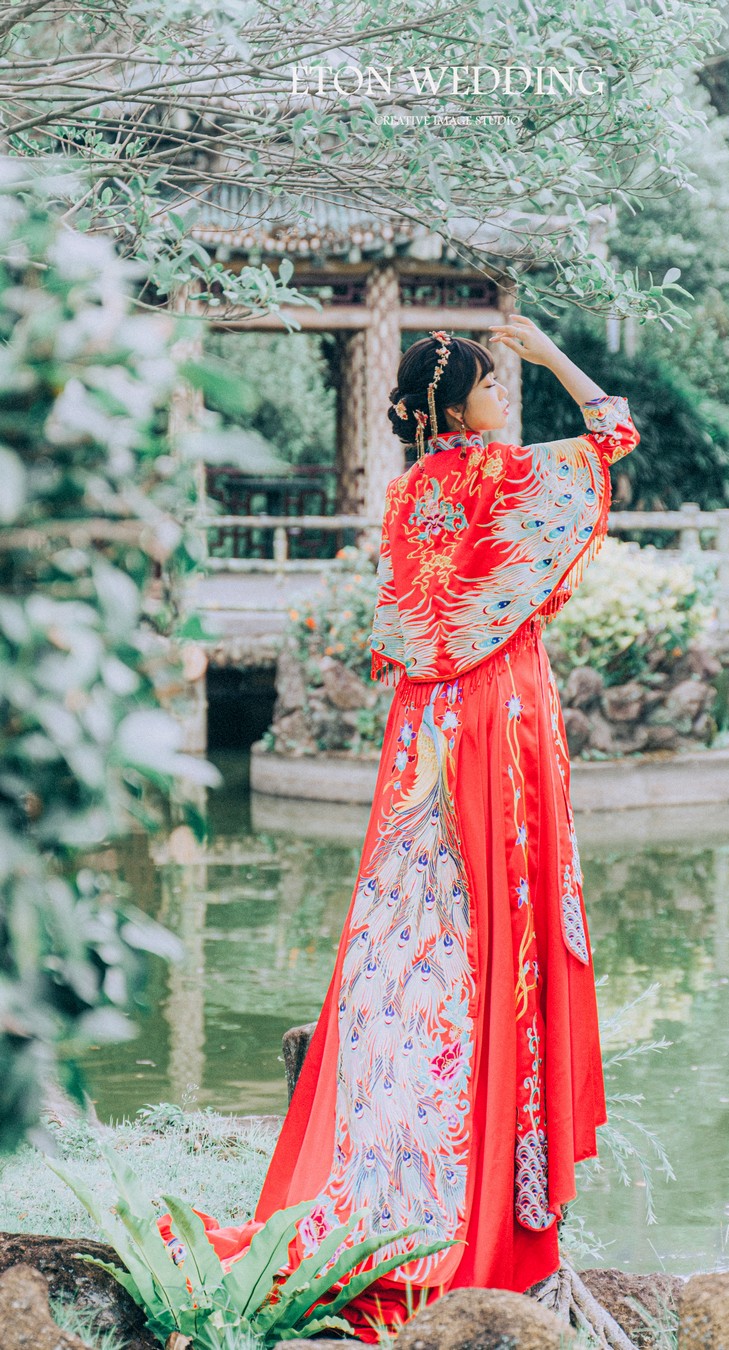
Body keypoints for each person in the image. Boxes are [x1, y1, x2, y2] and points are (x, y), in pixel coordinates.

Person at [157, 316, 641, 1340]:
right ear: (455, 404)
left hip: (426, 726)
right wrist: (550, 352)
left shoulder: (413, 492)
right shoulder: (501, 476)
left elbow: (416, 625)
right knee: (501, 925)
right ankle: (489, 1193)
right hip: (498, 711)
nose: (503, 397)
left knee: (421, 929)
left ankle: (399, 1157)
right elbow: (612, 433)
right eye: (492, 384)